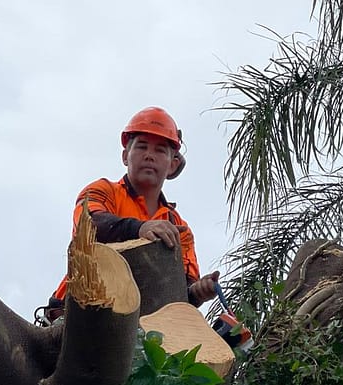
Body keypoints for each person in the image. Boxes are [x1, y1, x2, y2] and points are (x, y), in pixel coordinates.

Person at [50, 107, 218, 310]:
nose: (149, 155)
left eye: (160, 150)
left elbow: (182, 294)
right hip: (78, 313)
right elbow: (90, 226)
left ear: (172, 165)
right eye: (141, 147)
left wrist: (198, 291)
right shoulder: (102, 191)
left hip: (145, 325)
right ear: (125, 156)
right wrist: (139, 229)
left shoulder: (179, 227)